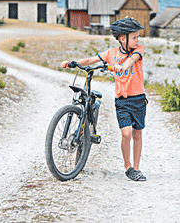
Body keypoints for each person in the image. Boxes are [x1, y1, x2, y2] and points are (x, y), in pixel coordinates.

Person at [60, 17, 148, 181]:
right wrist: (72, 63)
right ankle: (128, 167)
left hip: (138, 99)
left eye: (137, 37)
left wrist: (122, 66)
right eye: (134, 37)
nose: (137, 40)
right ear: (123, 39)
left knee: (137, 134)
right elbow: (90, 60)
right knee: (126, 133)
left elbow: (132, 60)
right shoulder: (111, 54)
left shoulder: (139, 49)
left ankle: (136, 168)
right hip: (122, 101)